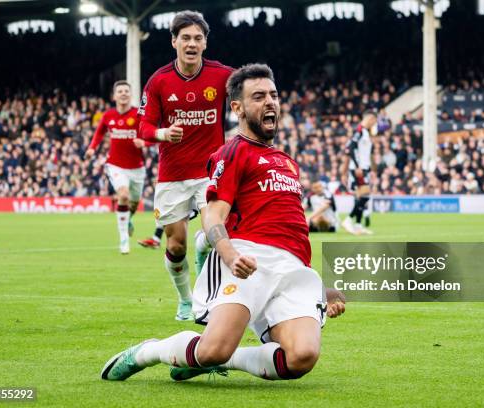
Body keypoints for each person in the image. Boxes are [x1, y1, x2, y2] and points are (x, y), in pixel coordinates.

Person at [101, 63, 345, 384]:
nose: (270, 101)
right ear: (237, 108)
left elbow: (290, 229)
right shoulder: (232, 152)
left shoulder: (287, 161)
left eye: (273, 95)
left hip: (294, 269)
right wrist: (229, 255)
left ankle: (220, 359)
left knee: (302, 357)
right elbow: (213, 214)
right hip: (248, 258)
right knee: (212, 349)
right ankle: (148, 352)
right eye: (258, 96)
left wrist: (320, 288)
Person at [137, 11, 234, 320]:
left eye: (198, 38)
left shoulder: (222, 75)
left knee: (215, 233)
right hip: (172, 176)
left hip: (210, 173)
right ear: (174, 42)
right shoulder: (159, 81)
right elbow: (143, 128)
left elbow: (251, 89)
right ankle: (185, 300)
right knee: (176, 245)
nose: (192, 43)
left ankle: (206, 292)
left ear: (205, 43)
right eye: (186, 38)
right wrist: (163, 133)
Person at [85, 80, 148, 254]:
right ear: (114, 96)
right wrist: (91, 148)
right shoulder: (108, 116)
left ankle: (128, 219)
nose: (123, 93)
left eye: (126, 91)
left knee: (133, 204)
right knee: (123, 195)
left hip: (137, 167)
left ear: (131, 94)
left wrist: (145, 142)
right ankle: (123, 240)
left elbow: (150, 133)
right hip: (115, 165)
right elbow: (99, 133)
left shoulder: (138, 114)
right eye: (120, 91)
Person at [340, 111, 376, 235]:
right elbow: (351, 148)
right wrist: (357, 166)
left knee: (361, 197)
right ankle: (349, 220)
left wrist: (369, 170)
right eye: (374, 121)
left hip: (364, 168)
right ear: (370, 119)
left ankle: (359, 225)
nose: (374, 124)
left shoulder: (365, 132)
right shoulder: (359, 130)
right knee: (365, 196)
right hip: (358, 168)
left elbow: (364, 153)